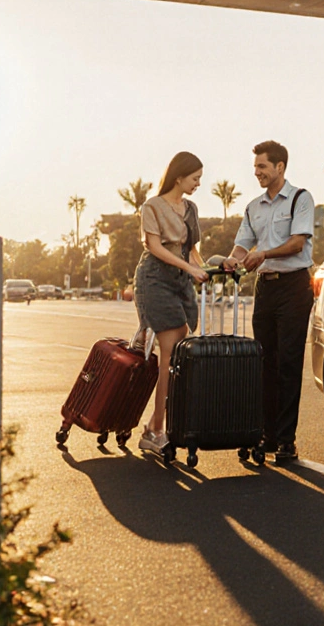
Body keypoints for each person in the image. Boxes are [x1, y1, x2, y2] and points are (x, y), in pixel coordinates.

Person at [223, 141, 315, 464]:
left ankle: (286, 441)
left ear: (280, 167)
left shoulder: (301, 200)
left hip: (294, 287)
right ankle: (268, 435)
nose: (257, 172)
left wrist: (264, 254)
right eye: (255, 167)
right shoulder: (253, 207)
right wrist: (228, 261)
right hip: (266, 288)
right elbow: (241, 247)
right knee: (265, 363)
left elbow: (296, 243)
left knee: (289, 363)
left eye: (262, 166)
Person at [134, 151, 209, 454]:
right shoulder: (152, 206)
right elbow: (154, 247)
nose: (198, 184)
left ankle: (156, 426)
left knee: (180, 351)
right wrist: (189, 268)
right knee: (170, 348)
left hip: (181, 281)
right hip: (155, 279)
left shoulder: (191, 208)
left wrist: (204, 267)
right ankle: (156, 429)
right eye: (195, 178)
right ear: (179, 177)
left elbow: (190, 250)